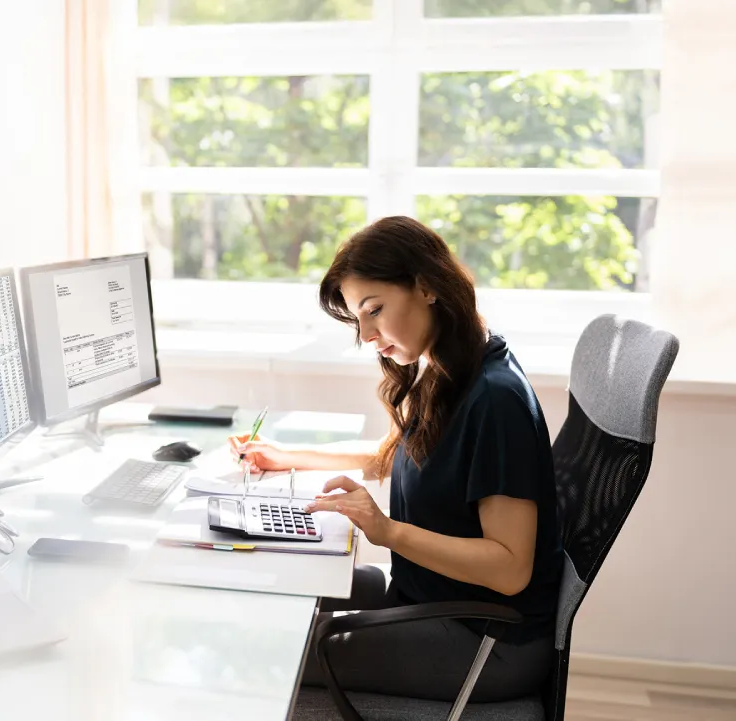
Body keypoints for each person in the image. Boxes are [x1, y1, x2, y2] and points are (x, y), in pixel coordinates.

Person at [229, 216, 562, 703]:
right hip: (431, 601)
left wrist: (386, 531)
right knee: (277, 598)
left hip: (482, 640)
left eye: (374, 310)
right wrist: (285, 457)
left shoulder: (495, 400)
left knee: (275, 653)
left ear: (426, 287)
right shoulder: (450, 364)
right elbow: (399, 455)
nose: (365, 334)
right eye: (357, 318)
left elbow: (510, 568)